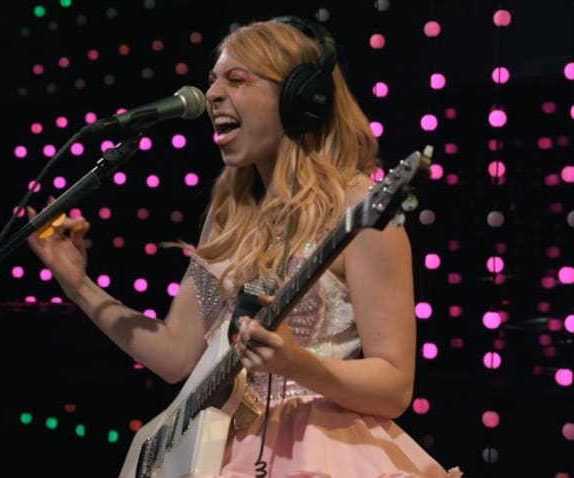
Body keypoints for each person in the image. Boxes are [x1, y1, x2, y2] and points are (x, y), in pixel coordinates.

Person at [26, 15, 461, 478]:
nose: (212, 94)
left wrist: (297, 364)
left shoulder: (361, 211)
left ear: (298, 99)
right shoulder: (228, 217)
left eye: (236, 79)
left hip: (322, 452)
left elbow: (394, 386)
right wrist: (78, 285)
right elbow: (175, 354)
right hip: (217, 454)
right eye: (212, 80)